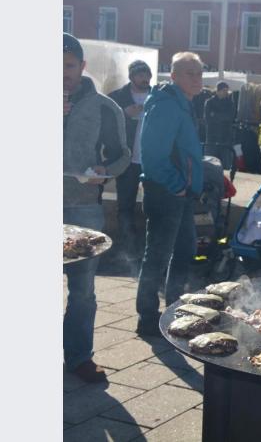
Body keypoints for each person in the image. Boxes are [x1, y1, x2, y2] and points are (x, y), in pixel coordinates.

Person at [63, 33, 131, 382]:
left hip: (83, 208)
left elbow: (123, 155)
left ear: (82, 66)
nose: (62, 74)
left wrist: (106, 171)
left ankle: (78, 357)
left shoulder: (106, 107)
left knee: (83, 290)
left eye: (69, 66)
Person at [135, 52, 205, 336]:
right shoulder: (167, 104)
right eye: (190, 73)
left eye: (199, 73)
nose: (197, 79)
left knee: (185, 249)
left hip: (180, 193)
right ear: (173, 76)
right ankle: (148, 318)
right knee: (158, 256)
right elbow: (152, 156)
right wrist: (177, 185)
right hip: (167, 192)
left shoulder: (182, 103)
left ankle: (173, 306)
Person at [108, 60, 152, 264]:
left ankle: (150, 247)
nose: (145, 78)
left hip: (153, 161)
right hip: (126, 161)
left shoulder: (158, 96)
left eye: (147, 75)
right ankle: (128, 249)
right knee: (125, 205)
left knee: (153, 204)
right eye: (141, 75)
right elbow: (104, 124)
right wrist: (125, 114)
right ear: (132, 76)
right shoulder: (118, 98)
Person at [204, 81, 237, 168]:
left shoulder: (230, 103)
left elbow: (230, 117)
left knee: (225, 164)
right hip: (212, 137)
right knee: (209, 163)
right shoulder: (209, 102)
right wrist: (222, 116)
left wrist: (215, 115)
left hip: (225, 137)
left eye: (227, 90)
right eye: (224, 90)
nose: (226, 92)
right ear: (218, 90)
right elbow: (208, 119)